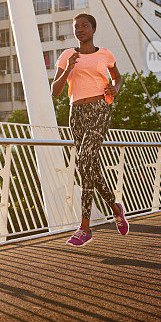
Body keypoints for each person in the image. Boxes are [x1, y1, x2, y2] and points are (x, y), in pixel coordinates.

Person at [52, 13, 129, 247]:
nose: (80, 29)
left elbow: (118, 78)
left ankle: (84, 227)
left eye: (85, 26)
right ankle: (115, 207)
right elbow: (54, 91)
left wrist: (115, 89)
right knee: (89, 166)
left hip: (99, 109)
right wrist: (68, 69)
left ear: (93, 29)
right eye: (76, 27)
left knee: (84, 161)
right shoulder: (67, 56)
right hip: (76, 113)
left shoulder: (105, 54)